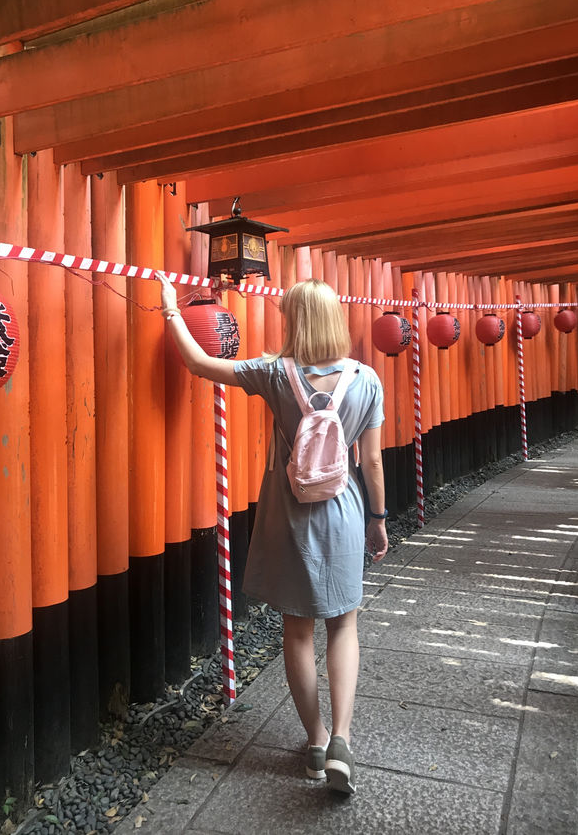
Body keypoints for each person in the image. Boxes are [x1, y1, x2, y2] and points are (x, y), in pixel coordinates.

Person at [157, 273, 388, 795]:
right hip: (345, 510)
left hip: (288, 516)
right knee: (344, 626)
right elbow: (370, 460)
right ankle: (343, 742)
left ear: (294, 321)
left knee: (298, 633)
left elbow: (199, 364)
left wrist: (172, 310)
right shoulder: (367, 378)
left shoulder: (274, 374)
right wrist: (378, 520)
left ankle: (315, 741)